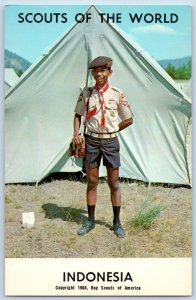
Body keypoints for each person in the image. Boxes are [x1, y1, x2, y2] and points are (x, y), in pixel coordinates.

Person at [72, 56, 134, 238]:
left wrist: (114, 129)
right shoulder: (87, 93)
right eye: (95, 71)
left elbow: (129, 118)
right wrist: (76, 134)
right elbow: (77, 114)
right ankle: (90, 220)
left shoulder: (117, 93)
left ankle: (117, 223)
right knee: (92, 182)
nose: (99, 74)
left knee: (114, 183)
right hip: (91, 141)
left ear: (109, 72)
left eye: (103, 70)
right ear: (92, 73)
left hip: (110, 142)